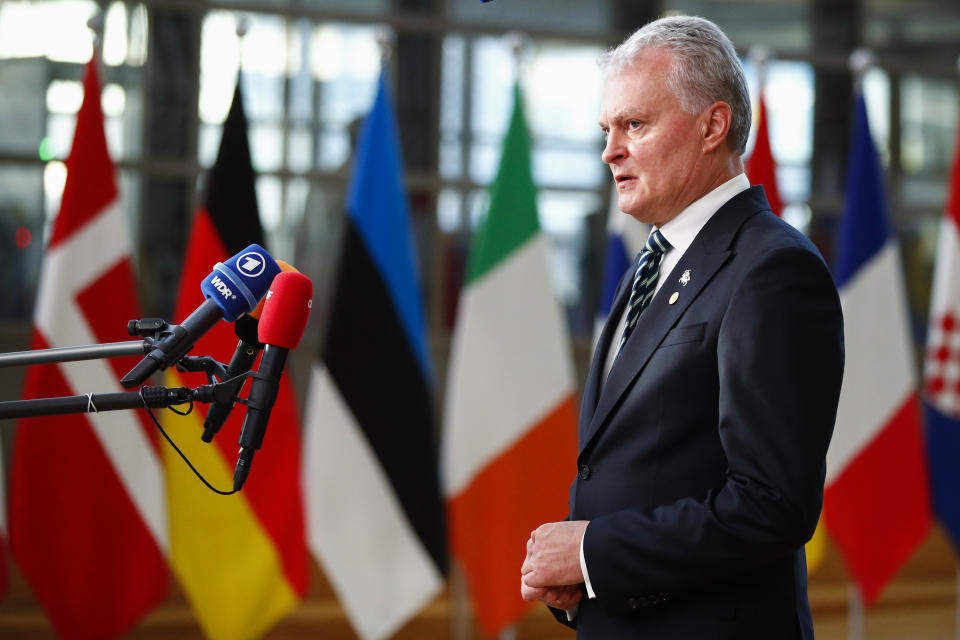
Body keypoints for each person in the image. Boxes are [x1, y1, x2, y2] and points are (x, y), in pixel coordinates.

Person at [519, 15, 844, 639]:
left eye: (634, 124)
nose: (610, 149)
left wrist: (593, 554)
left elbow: (772, 504)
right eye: (606, 129)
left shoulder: (773, 270)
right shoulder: (654, 260)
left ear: (712, 126)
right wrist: (582, 580)